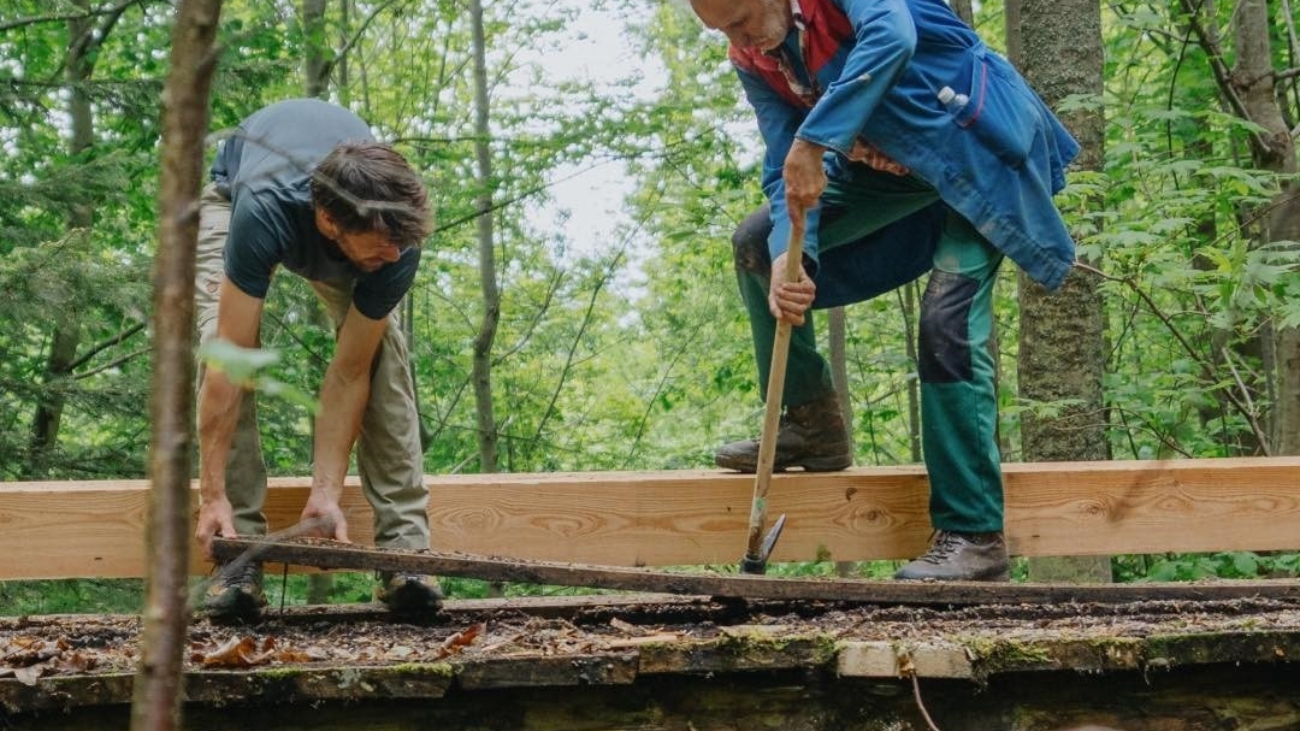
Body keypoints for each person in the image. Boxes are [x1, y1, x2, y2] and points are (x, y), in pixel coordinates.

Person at [688, 0, 1079, 581]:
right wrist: (791, 253)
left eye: (742, 21)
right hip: (891, 176)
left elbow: (893, 35)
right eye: (723, 32)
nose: (740, 41)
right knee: (757, 245)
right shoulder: (754, 59)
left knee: (945, 324)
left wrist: (814, 139)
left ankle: (974, 536)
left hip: (973, 152)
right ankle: (813, 427)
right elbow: (784, 166)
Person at [194, 98, 441, 619]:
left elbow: (349, 373)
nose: (395, 257)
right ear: (329, 221)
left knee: (383, 356)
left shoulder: (396, 241)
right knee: (226, 342)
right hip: (233, 196)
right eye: (385, 245)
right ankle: (237, 556)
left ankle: (407, 555)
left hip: (338, 219)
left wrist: (326, 492)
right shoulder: (262, 211)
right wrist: (210, 494)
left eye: (401, 244)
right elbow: (228, 365)